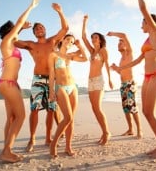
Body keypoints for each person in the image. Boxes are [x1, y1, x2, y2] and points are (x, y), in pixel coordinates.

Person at [110, 0, 156, 158]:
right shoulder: (147, 41)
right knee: (145, 112)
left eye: (142, 23)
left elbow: (143, 10)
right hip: (147, 77)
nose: (141, 26)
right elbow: (138, 60)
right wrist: (121, 68)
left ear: (149, 22)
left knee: (151, 113)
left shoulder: (155, 33)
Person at [14, 3, 69, 152]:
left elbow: (65, 29)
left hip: (52, 79)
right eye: (36, 29)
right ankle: (32, 139)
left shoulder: (52, 41)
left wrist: (60, 12)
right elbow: (14, 40)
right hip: (38, 79)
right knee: (35, 109)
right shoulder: (31, 45)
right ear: (34, 33)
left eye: (41, 27)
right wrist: (20, 28)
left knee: (51, 109)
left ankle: (47, 137)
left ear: (45, 30)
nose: (39, 29)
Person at [0, 0, 39, 162]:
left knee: (12, 118)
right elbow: (20, 22)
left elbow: (16, 31)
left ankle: (6, 148)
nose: (17, 30)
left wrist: (20, 29)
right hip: (8, 84)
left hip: (8, 83)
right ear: (9, 31)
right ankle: (7, 151)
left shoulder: (9, 44)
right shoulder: (6, 42)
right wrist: (31, 6)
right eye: (14, 29)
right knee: (20, 117)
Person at [48, 34, 87, 158]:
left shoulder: (70, 56)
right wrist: (51, 91)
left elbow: (85, 58)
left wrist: (79, 45)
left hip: (72, 87)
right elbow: (51, 74)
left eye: (72, 42)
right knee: (68, 117)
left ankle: (68, 146)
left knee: (71, 120)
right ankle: (53, 144)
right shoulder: (53, 54)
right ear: (62, 40)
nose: (69, 42)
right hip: (61, 88)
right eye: (68, 40)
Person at [82, 15, 113, 145]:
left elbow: (106, 64)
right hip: (90, 81)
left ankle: (106, 133)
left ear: (100, 40)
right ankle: (104, 131)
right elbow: (83, 36)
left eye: (96, 37)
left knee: (98, 108)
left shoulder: (103, 50)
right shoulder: (91, 52)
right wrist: (85, 22)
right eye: (92, 37)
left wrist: (110, 79)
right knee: (94, 109)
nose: (93, 38)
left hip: (99, 80)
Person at [107, 31, 143, 139]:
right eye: (118, 43)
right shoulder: (121, 59)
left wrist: (112, 34)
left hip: (130, 84)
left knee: (133, 108)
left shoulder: (129, 53)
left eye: (121, 42)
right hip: (122, 85)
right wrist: (115, 68)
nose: (119, 44)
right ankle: (130, 129)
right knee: (126, 109)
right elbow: (121, 72)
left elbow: (124, 35)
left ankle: (139, 130)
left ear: (126, 45)